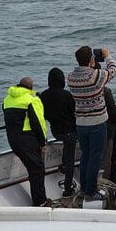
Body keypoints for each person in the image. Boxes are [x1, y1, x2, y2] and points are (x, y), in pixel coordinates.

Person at [67, 46, 116, 201]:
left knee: (86, 156)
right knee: (95, 157)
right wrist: (108, 56)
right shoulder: (96, 76)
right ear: (91, 59)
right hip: (97, 123)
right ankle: (91, 191)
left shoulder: (70, 77)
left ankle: (84, 188)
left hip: (81, 123)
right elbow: (113, 70)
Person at [3, 77, 50, 207]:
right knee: (37, 170)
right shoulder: (32, 100)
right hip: (27, 140)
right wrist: (42, 143)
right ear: (31, 88)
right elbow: (38, 123)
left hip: (13, 140)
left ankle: (40, 199)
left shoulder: (7, 100)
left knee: (33, 169)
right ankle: (41, 202)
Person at [39, 68, 76, 197]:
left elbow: (42, 114)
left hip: (55, 131)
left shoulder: (43, 95)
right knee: (71, 157)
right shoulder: (66, 95)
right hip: (69, 131)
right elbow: (73, 112)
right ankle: (67, 189)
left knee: (67, 145)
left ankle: (64, 164)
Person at [102, 85, 116, 179]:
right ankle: (104, 183)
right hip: (106, 129)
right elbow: (113, 112)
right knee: (106, 159)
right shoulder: (105, 91)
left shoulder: (80, 89)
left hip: (84, 128)